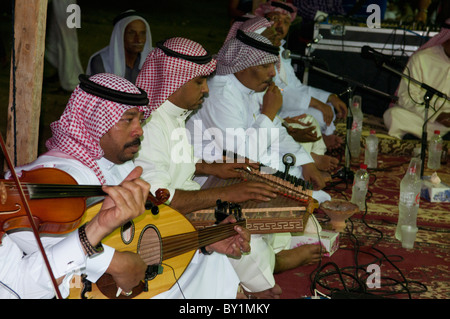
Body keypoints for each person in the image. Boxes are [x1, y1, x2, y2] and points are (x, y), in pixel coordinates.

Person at [134, 37, 285, 298]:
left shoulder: (173, 114)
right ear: (176, 81)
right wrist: (228, 194)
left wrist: (212, 168)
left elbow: (172, 162)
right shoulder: (150, 125)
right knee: (244, 238)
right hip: (159, 225)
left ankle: (255, 289)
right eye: (199, 82)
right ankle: (254, 290)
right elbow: (160, 199)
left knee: (249, 234)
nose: (206, 90)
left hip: (184, 205)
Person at [185, 26, 329, 296]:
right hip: (210, 180)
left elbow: (275, 131)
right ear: (243, 66)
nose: (273, 73)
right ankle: (271, 268)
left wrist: (306, 160)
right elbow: (243, 156)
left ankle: (271, 260)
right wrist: (269, 113)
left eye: (273, 66)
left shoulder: (250, 87)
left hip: (241, 172)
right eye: (266, 66)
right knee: (251, 225)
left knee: (299, 207)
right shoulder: (221, 93)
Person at [0, 73, 154, 299]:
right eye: (127, 119)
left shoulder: (118, 164)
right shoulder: (68, 174)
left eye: (139, 120)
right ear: (95, 121)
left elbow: (22, 284)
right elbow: (37, 243)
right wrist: (112, 261)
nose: (139, 130)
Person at [255, 1, 348, 152]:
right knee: (315, 116)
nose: (280, 25)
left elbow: (295, 86)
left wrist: (329, 97)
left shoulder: (280, 50)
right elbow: (275, 90)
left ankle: (320, 144)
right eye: (275, 18)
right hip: (265, 110)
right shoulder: (258, 50)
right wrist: (316, 103)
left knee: (326, 109)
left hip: (283, 105)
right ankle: (318, 149)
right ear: (263, 20)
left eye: (286, 22)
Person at [383, 19, 450, 141]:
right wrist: (436, 115)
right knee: (393, 115)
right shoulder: (422, 59)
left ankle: (419, 137)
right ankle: (435, 138)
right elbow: (405, 98)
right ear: (445, 39)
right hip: (424, 119)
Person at [86, 10, 152, 84]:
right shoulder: (101, 61)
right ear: (120, 36)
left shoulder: (155, 59)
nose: (139, 40)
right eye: (132, 33)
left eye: (142, 33)